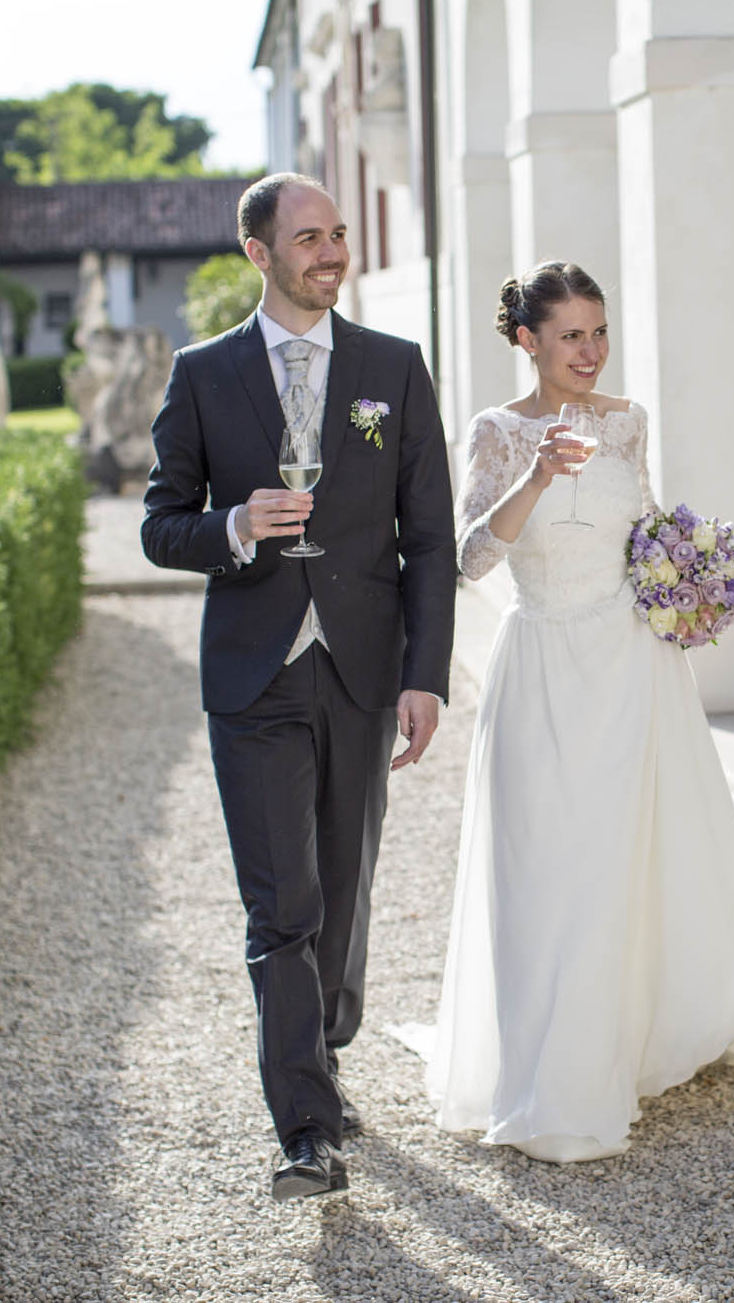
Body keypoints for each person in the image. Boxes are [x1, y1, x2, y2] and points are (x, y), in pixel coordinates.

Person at [141, 173, 456, 1200]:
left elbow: (429, 538)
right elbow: (160, 525)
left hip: (362, 668)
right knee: (283, 905)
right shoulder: (202, 374)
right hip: (254, 677)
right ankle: (306, 1129)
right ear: (259, 252)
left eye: (339, 234)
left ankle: (323, 1048)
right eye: (310, 237)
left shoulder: (392, 368)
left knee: (343, 889)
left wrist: (424, 676)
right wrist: (234, 525)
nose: (331, 253)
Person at [426, 261, 734, 1163]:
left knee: (616, 864)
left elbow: (647, 525)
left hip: (632, 669)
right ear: (528, 340)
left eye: (599, 332)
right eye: (570, 335)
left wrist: (688, 578)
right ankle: (547, 1069)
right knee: (546, 865)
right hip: (543, 667)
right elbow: (468, 560)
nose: (590, 352)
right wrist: (535, 477)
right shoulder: (497, 431)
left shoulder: (628, 421)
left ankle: (606, 1058)